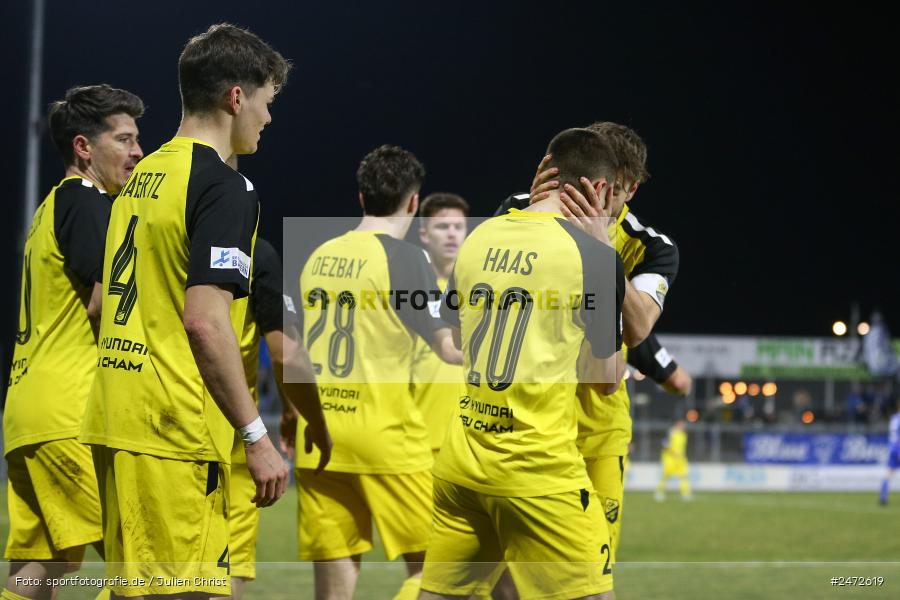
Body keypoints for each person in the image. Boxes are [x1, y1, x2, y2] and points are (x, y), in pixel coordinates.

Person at [79, 24, 301, 598]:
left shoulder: (140, 175)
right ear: (236, 97)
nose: (268, 119)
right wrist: (255, 436)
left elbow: (103, 304)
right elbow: (204, 319)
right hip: (171, 430)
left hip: (114, 416)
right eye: (266, 102)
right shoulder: (224, 186)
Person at [421, 127, 625, 600]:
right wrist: (605, 257)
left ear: (545, 171)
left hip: (463, 464)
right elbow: (605, 380)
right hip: (536, 468)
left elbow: (457, 337)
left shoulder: (480, 234)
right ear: (599, 190)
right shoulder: (594, 256)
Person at [498, 121, 680, 568]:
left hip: (596, 429)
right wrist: (533, 214)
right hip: (524, 423)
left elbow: (636, 331)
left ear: (630, 189)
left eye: (609, 191)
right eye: (583, 187)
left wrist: (603, 250)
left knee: (589, 571)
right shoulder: (516, 211)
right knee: (509, 569)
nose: (592, 201)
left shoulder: (652, 248)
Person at [296, 145, 461, 600]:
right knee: (441, 573)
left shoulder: (318, 255)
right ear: (413, 203)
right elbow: (447, 348)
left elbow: (295, 349)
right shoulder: (409, 261)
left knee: (334, 588)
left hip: (321, 438)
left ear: (362, 198)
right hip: (385, 434)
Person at [3, 84, 144, 600]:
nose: (137, 152)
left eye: (137, 139)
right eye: (124, 140)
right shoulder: (87, 202)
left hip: (29, 411)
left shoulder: (47, 210)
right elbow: (104, 303)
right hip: (70, 413)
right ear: (84, 147)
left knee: (40, 566)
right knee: (140, 562)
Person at [411, 193, 469, 456]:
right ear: (424, 234)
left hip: (471, 437)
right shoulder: (408, 293)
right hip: (419, 436)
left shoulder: (480, 293)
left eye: (458, 227)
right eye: (442, 226)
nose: (451, 234)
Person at [655, 419, 692, 501]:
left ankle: (685, 493)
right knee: (665, 476)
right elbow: (664, 443)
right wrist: (672, 452)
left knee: (684, 475)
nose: (683, 426)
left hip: (680, 459)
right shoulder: (671, 433)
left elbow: (682, 447)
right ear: (677, 424)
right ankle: (659, 492)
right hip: (670, 458)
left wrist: (682, 455)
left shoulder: (683, 435)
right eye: (682, 424)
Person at [879, 403, 900, 506]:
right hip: (898, 448)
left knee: (889, 473)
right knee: (889, 473)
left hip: (893, 448)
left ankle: (883, 496)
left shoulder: (894, 419)